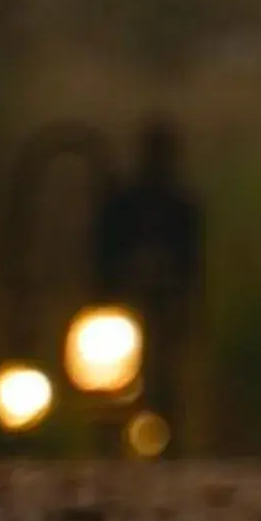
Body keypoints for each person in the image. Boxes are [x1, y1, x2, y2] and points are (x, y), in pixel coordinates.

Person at [94, 116, 203, 444]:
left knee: (165, 377)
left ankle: (164, 437)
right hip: (125, 305)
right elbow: (103, 252)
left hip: (164, 304)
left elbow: (192, 263)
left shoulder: (181, 206)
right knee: (113, 383)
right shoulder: (125, 202)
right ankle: (114, 437)